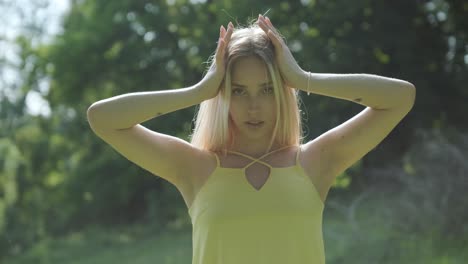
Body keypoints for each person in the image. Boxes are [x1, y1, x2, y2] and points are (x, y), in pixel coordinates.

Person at [87, 14, 415, 264]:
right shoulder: (195, 168)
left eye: (268, 90)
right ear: (223, 95)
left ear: (283, 94)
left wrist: (302, 78)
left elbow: (400, 97)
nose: (254, 106)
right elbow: (102, 118)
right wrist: (199, 91)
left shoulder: (314, 162)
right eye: (239, 91)